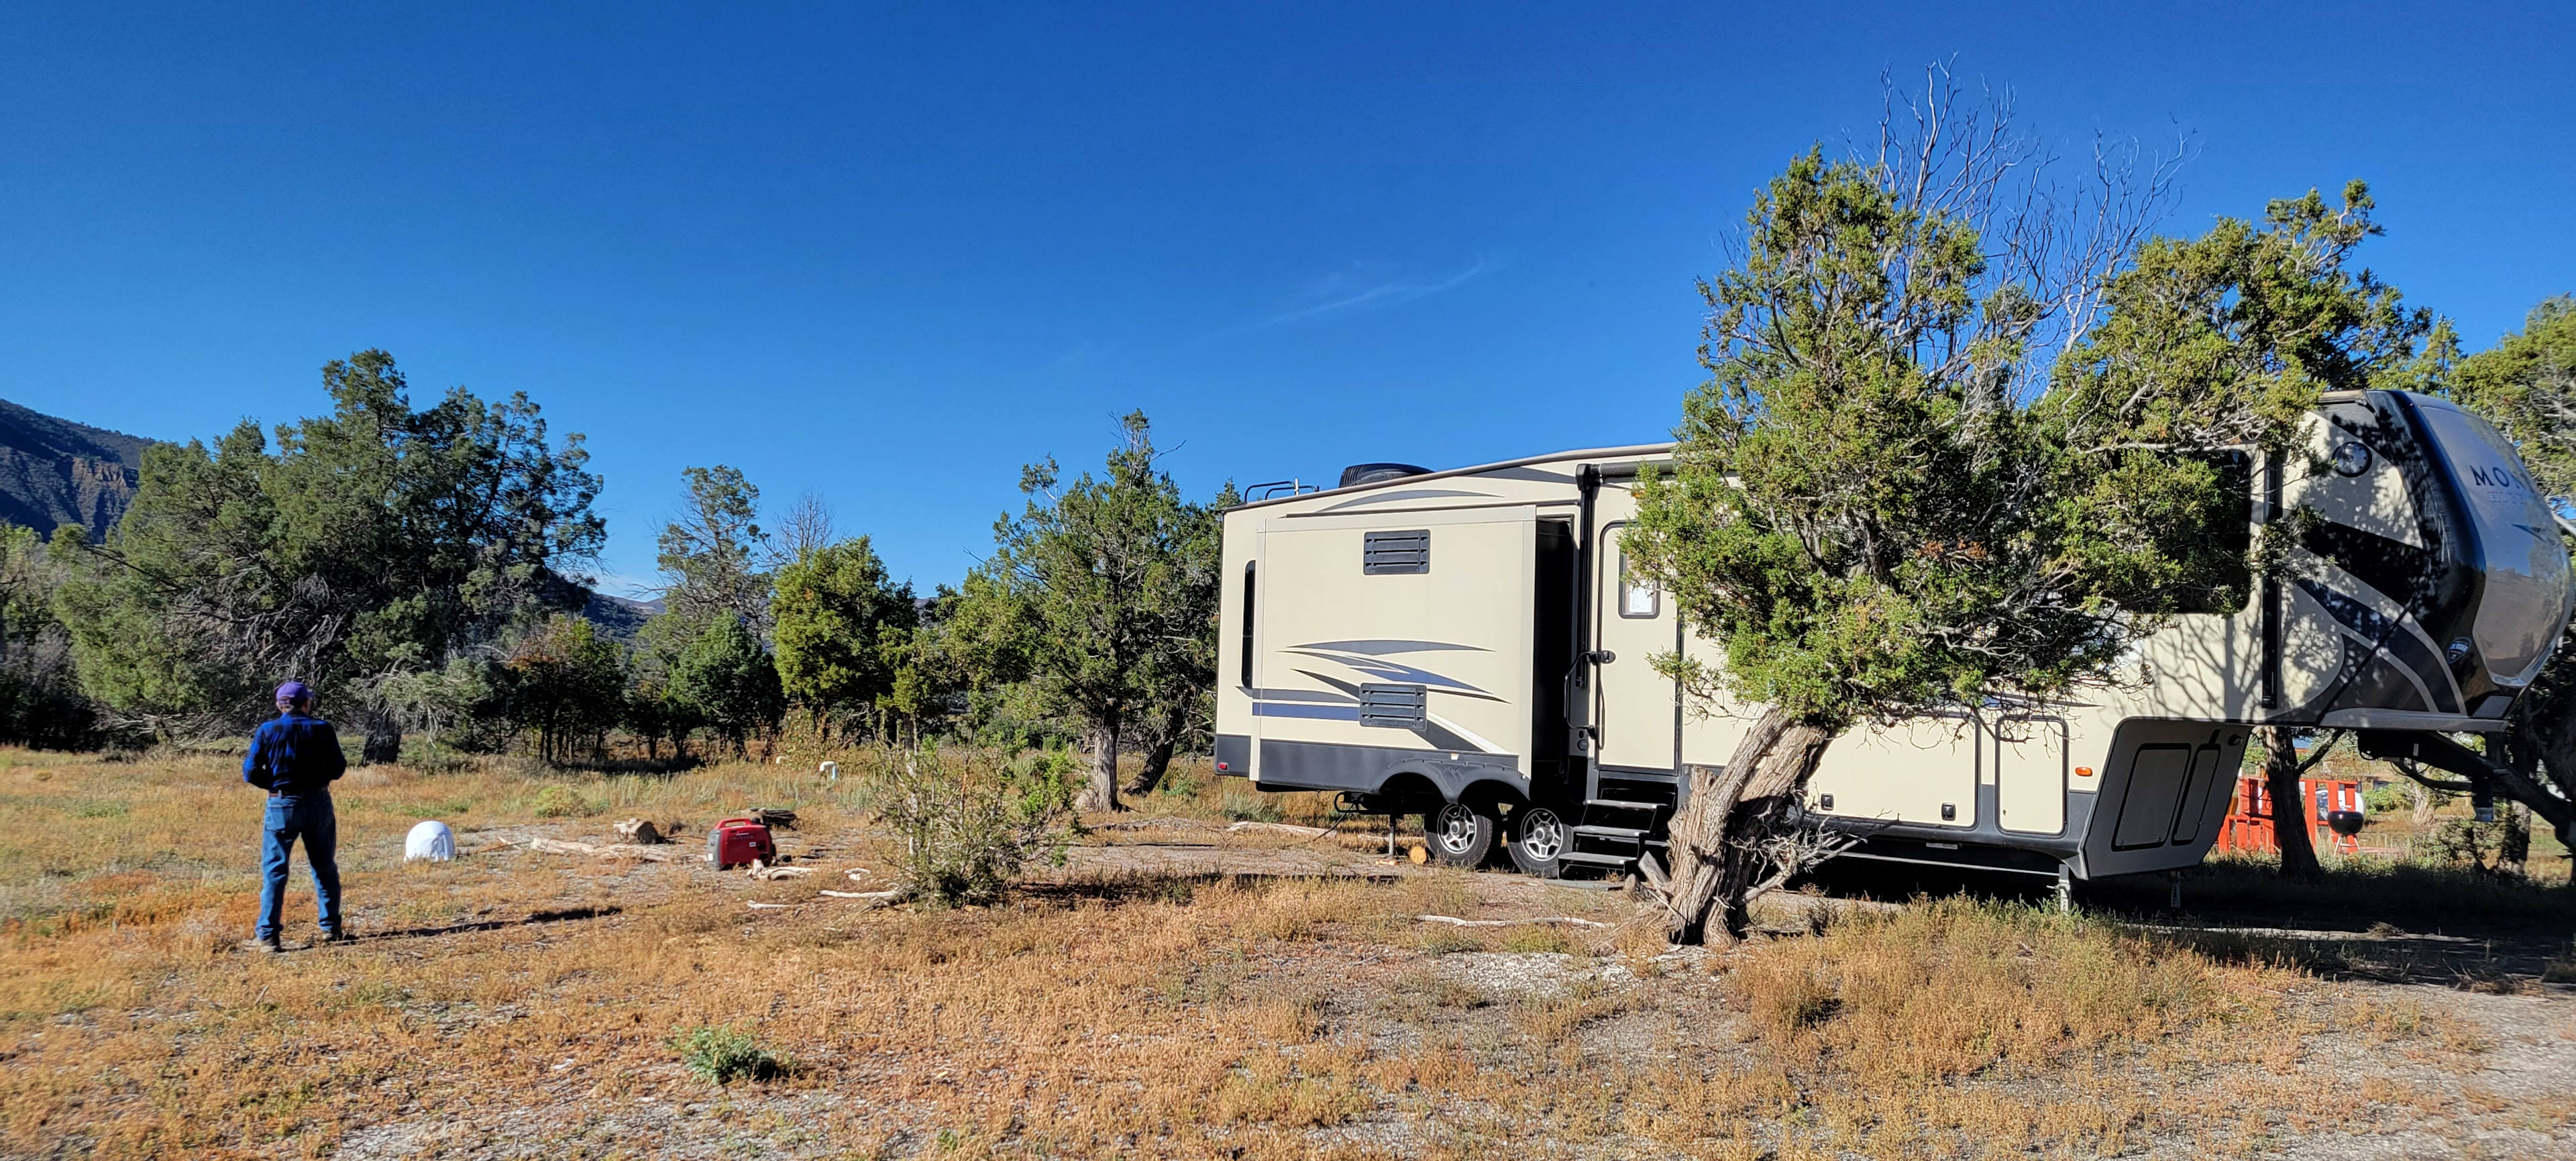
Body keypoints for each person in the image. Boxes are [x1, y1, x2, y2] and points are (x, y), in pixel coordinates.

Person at [243, 680, 349, 952]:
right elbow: (338, 768)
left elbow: (251, 772)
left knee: (275, 871)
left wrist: (276, 785)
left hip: (282, 805)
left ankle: (268, 936)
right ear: (306, 703)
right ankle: (331, 928)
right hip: (318, 802)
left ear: (281, 705)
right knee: (324, 866)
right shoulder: (323, 729)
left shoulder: (268, 730)